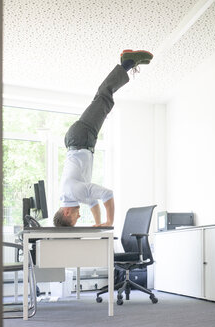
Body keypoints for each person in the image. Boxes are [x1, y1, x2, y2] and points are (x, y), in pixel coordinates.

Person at [53, 49, 153, 227]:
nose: (78, 218)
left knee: (104, 96)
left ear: (66, 212)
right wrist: (97, 225)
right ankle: (126, 62)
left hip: (81, 139)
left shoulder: (74, 192)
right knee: (102, 99)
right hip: (79, 140)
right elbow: (92, 201)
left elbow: (108, 194)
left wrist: (109, 222)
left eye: (74, 219)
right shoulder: (72, 195)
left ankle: (128, 62)